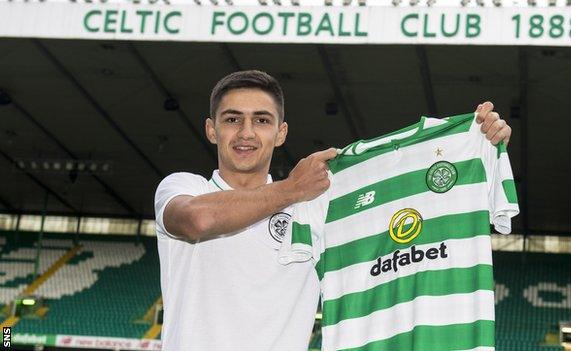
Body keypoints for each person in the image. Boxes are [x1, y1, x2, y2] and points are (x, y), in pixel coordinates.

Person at [153, 70, 512, 350]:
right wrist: (292, 189)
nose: (246, 133)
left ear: (281, 133)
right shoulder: (184, 188)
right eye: (232, 120)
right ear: (211, 130)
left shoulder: (316, 208)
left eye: (262, 120)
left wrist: (473, 142)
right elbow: (197, 220)